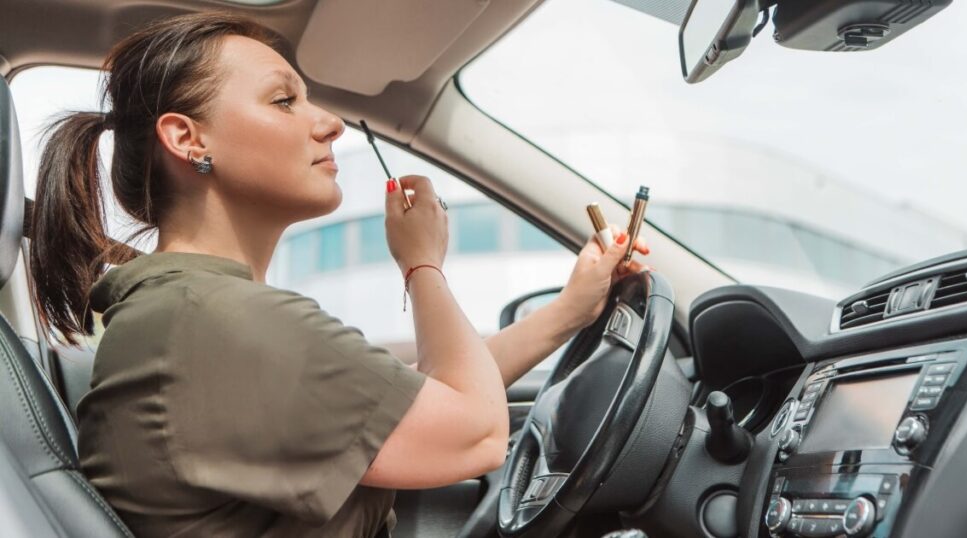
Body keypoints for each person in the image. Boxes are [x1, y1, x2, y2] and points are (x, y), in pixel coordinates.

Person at [27, 11, 650, 538]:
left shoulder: (193, 313)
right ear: (188, 140)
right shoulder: (213, 321)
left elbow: (416, 400)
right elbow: (477, 431)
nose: (331, 123)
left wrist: (572, 309)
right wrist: (422, 263)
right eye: (284, 100)